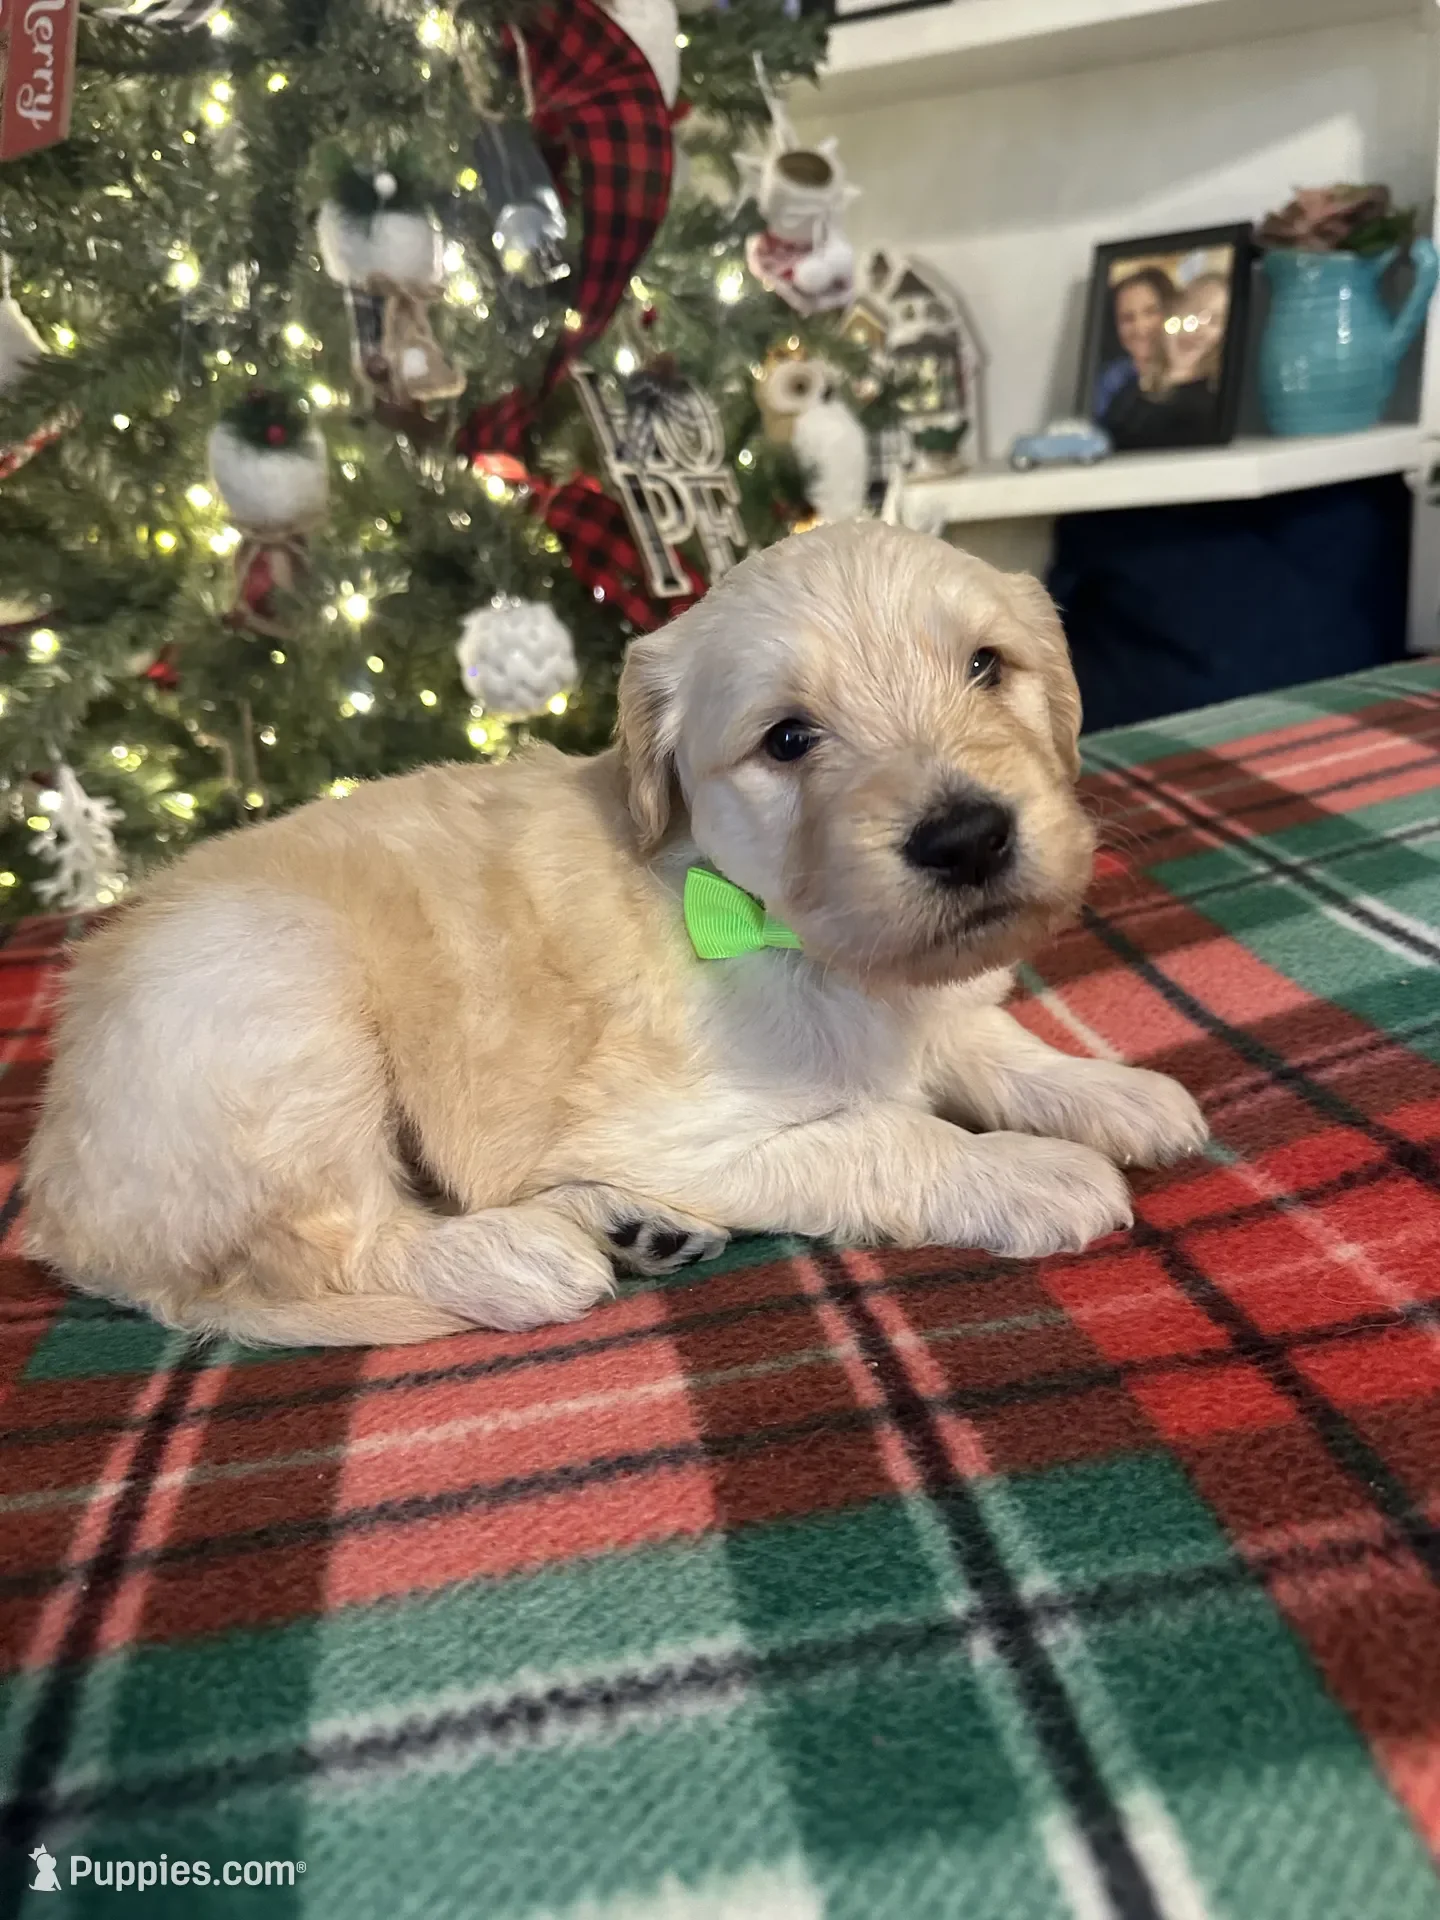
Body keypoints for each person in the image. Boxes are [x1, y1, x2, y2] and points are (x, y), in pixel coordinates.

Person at [1102, 270, 1232, 450]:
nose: (1198, 329)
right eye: (1192, 314)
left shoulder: (1212, 405)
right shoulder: (1127, 391)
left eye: (1215, 321)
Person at [1092, 265, 1173, 418]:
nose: (1140, 328)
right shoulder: (1108, 383)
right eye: (1127, 318)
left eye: (1151, 312)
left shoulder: (1192, 372)